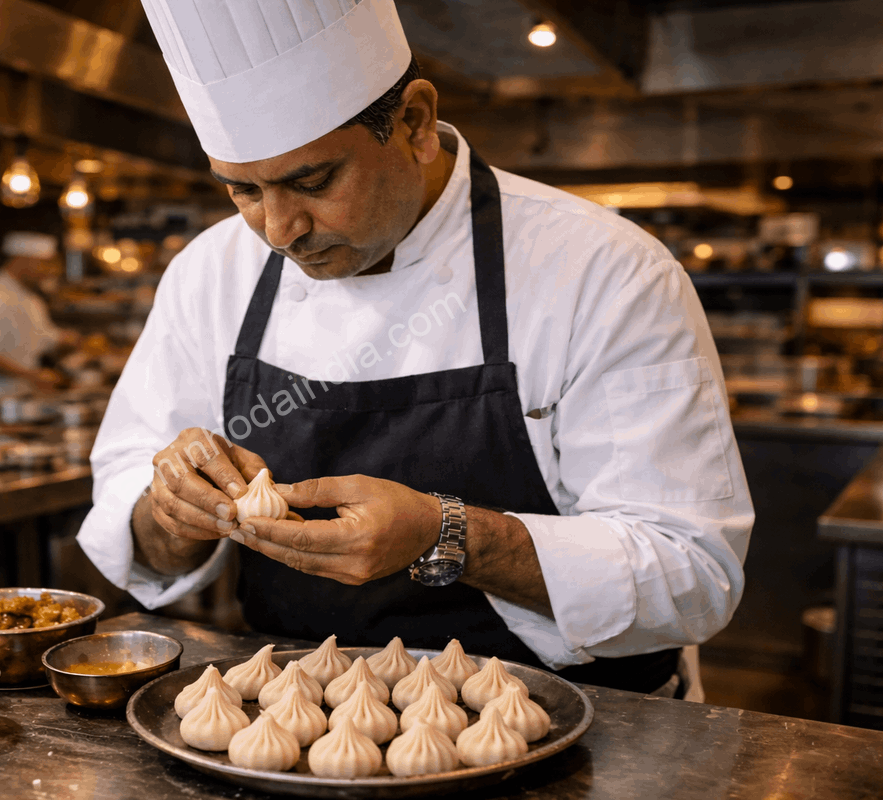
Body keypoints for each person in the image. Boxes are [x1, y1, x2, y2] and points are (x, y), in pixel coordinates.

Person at [78, 0, 753, 698]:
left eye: (313, 182)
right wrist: (175, 513)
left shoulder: (604, 271)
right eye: (242, 190)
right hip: (288, 718)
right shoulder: (210, 273)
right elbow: (136, 521)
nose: (279, 231)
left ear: (416, 123)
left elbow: (692, 573)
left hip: (574, 719)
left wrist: (445, 535)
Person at [0, 231, 81, 397]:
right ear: (22, 260)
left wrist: (65, 339)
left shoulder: (31, 298)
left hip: (22, 395)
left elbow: (41, 337)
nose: (50, 271)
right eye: (44, 264)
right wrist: (32, 376)